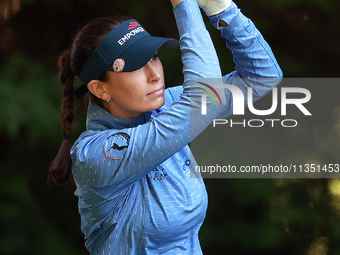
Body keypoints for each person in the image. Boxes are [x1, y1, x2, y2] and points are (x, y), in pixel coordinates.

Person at [48, 0, 282, 254]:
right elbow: (206, 99)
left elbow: (262, 76)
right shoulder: (96, 154)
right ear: (99, 88)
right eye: (136, 66)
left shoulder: (167, 107)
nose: (154, 74)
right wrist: (184, 5)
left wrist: (222, 10)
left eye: (154, 56)